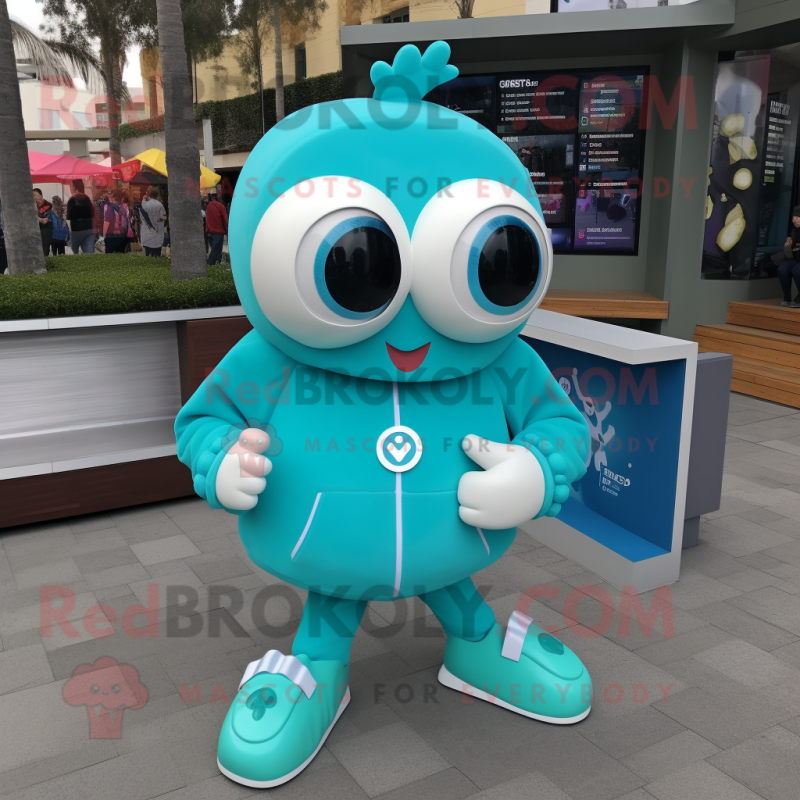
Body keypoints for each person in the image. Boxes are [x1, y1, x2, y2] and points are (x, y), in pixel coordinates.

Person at [66, 179, 97, 254]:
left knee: (73, 252)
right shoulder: (87, 198)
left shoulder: (72, 200)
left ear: (74, 187)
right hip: (89, 229)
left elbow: (69, 216)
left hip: (77, 230)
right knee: (89, 253)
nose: (70, 188)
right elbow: (92, 214)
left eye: (70, 186)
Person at [779, 206, 800, 308]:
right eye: (794, 217)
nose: (795, 220)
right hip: (796, 258)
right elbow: (789, 254)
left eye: (798, 217)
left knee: (797, 271)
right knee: (782, 269)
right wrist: (787, 247)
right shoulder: (794, 230)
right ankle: (787, 298)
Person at [139, 188, 167, 257]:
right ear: (157, 196)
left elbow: (140, 218)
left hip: (145, 235)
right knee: (156, 256)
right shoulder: (159, 205)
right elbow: (164, 217)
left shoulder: (143, 205)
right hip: (157, 236)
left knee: (147, 256)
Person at [205, 192, 228, 265]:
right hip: (218, 231)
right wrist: (227, 230)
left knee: (214, 248)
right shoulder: (221, 206)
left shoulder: (208, 206)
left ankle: (217, 261)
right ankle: (210, 263)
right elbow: (225, 219)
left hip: (209, 231)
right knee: (216, 249)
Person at [33, 188, 53, 256]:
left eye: (37, 195)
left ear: (41, 195)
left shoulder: (48, 205)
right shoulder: (33, 205)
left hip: (46, 230)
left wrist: (35, 218)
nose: (35, 197)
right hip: (36, 230)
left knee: (45, 250)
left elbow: (45, 221)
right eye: (34, 195)